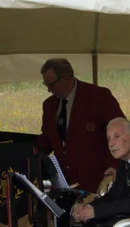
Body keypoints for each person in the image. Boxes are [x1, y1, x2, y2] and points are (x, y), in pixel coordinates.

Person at [36, 58, 125, 192]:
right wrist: (27, 155)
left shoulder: (98, 97)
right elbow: (47, 140)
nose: (49, 90)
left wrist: (114, 168)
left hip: (97, 182)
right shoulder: (49, 105)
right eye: (46, 85)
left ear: (67, 77)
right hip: (64, 185)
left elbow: (121, 133)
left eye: (52, 85)